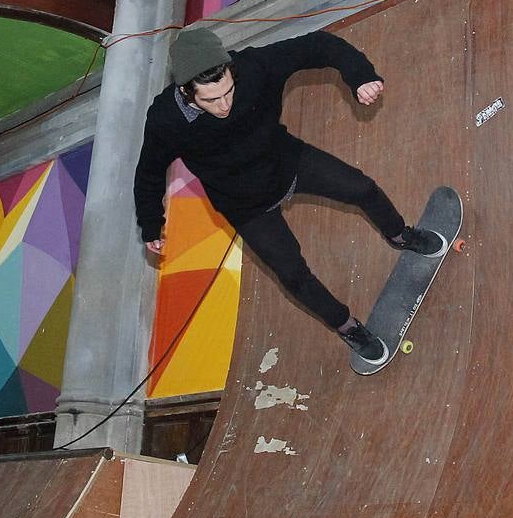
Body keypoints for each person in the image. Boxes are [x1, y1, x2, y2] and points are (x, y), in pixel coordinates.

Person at [133, 26, 448, 366]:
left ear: (231, 71)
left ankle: (400, 234)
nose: (224, 104)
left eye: (228, 91)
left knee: (362, 188)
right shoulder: (165, 119)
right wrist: (151, 224)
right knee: (293, 274)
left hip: (286, 161)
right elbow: (149, 172)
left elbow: (318, 44)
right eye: (210, 99)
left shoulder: (255, 66)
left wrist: (359, 76)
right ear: (185, 90)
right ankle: (347, 327)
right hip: (245, 205)